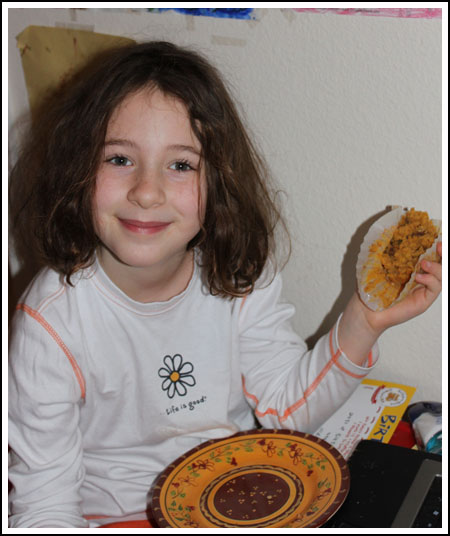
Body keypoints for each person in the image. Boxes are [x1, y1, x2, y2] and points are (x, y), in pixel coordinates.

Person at [8, 41, 442, 528]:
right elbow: (43, 507)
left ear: (219, 181)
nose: (146, 192)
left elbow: (287, 410)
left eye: (180, 165)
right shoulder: (51, 322)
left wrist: (364, 320)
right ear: (78, 168)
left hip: (238, 502)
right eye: (118, 159)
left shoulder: (236, 272)